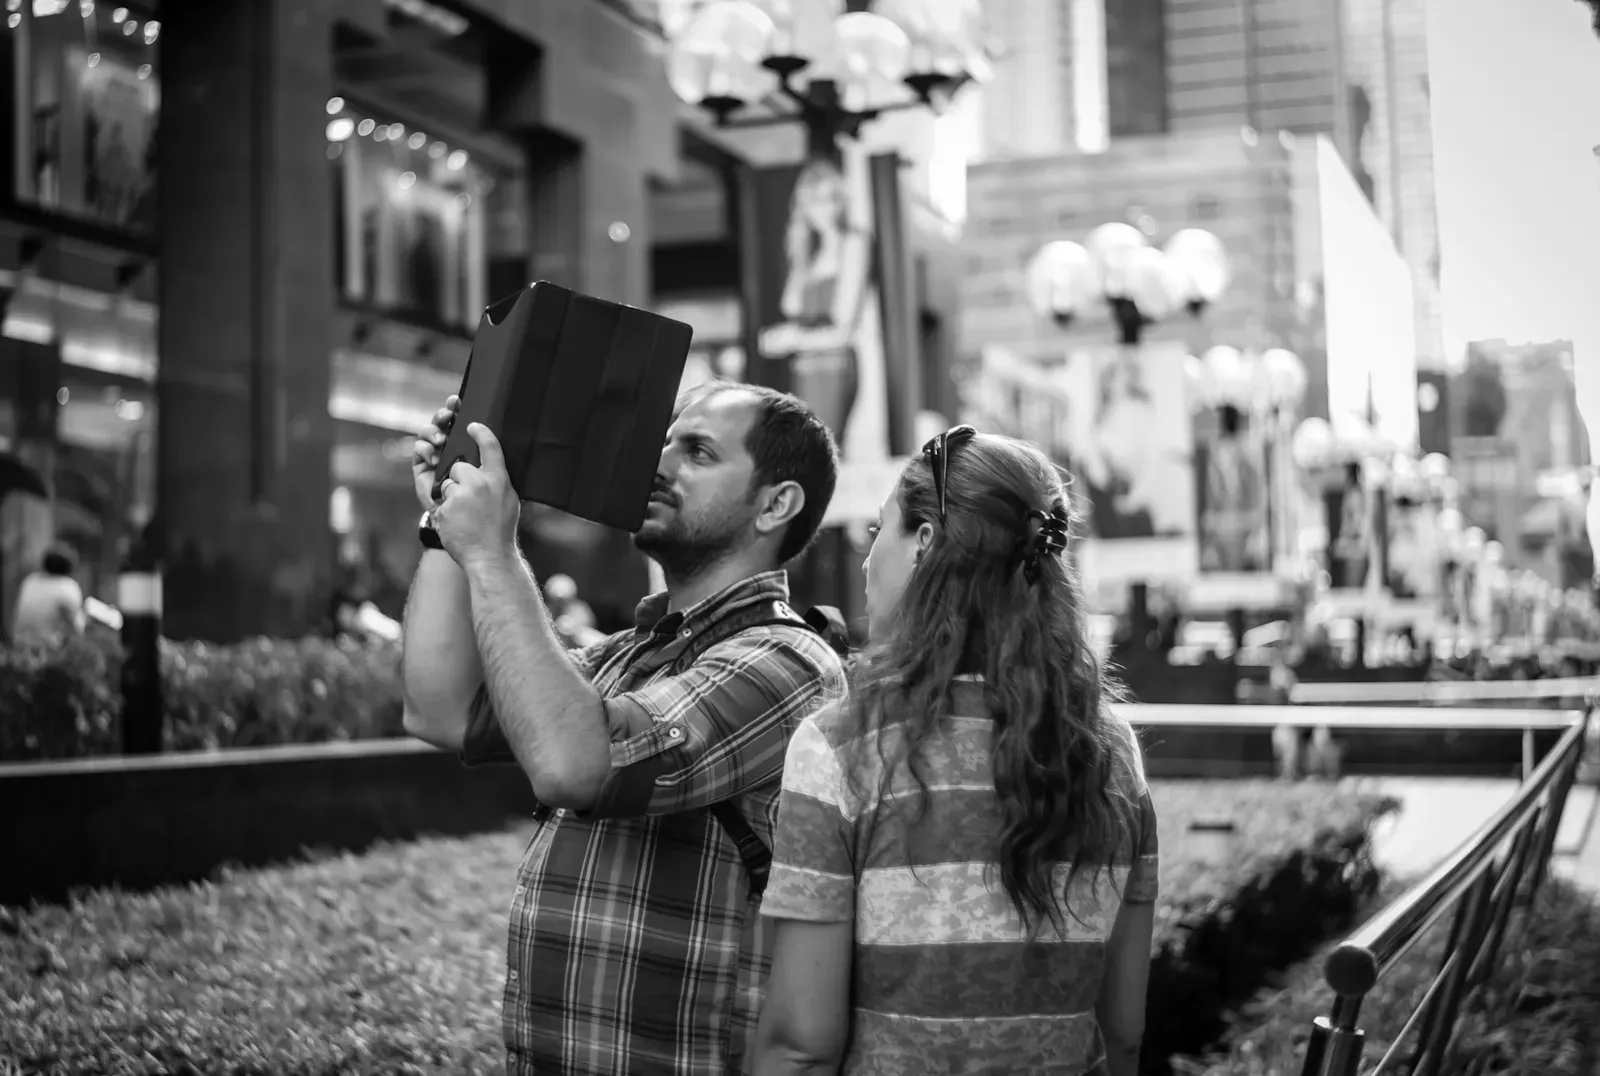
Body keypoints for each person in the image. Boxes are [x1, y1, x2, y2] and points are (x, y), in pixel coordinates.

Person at [401, 381, 847, 1076]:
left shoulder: (787, 661)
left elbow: (573, 765)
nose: (659, 463)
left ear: (776, 504)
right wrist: (443, 523)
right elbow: (442, 709)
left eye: (696, 451)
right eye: (663, 442)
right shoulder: (628, 652)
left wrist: (492, 552)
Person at [753, 427, 1158, 1076]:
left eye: (876, 530)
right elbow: (1125, 1033)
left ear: (923, 543)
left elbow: (801, 1044)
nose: (864, 560)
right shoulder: (1111, 752)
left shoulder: (839, 749)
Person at [13, 546, 85, 647]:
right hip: (46, 649)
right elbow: (77, 629)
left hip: (19, 645)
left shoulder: (30, 580)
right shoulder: (68, 586)